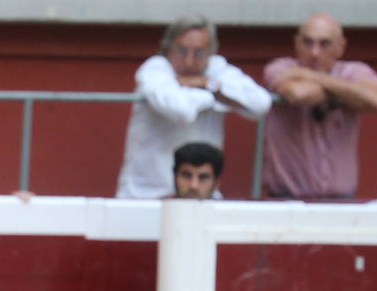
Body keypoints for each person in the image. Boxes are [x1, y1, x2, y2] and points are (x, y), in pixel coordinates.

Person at [115, 15, 270, 200]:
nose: (189, 61)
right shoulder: (155, 69)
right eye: (181, 51)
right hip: (147, 195)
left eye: (198, 53)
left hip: (202, 196)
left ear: (210, 52)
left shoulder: (215, 71)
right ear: (167, 47)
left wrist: (208, 85)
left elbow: (261, 104)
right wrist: (215, 95)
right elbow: (181, 111)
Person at [261, 14, 377, 200]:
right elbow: (299, 95)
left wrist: (312, 77)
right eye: (307, 43)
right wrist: (346, 91)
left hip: (342, 199)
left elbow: (375, 101)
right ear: (296, 43)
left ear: (340, 47)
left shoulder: (355, 70)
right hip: (286, 198)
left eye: (324, 44)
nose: (314, 53)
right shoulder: (281, 67)